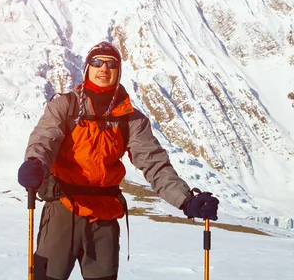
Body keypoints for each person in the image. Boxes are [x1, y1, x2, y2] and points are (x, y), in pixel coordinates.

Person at [18, 41, 219, 280]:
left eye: (111, 64)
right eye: (97, 62)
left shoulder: (131, 120)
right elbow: (44, 140)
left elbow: (153, 163)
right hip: (63, 208)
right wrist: (35, 163)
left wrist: (185, 200)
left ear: (119, 71)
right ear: (87, 69)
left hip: (104, 216)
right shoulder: (65, 106)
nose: (104, 68)